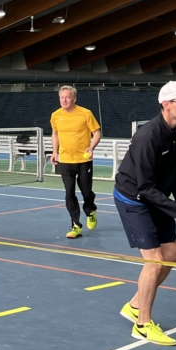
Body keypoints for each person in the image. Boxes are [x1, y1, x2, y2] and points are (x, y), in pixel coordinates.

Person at [113, 81, 176, 346]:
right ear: (166, 104)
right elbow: (144, 188)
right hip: (133, 198)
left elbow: (171, 169)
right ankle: (142, 325)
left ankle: (135, 304)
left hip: (157, 194)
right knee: (155, 261)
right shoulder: (148, 137)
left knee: (173, 255)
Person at [50, 85, 102, 240]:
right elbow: (55, 134)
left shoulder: (85, 113)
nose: (64, 100)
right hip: (65, 160)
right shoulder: (55, 115)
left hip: (83, 160)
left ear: (74, 98)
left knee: (86, 192)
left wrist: (91, 147)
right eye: (61, 97)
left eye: (67, 97)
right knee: (69, 193)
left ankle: (90, 210)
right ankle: (76, 226)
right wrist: (55, 152)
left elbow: (97, 132)